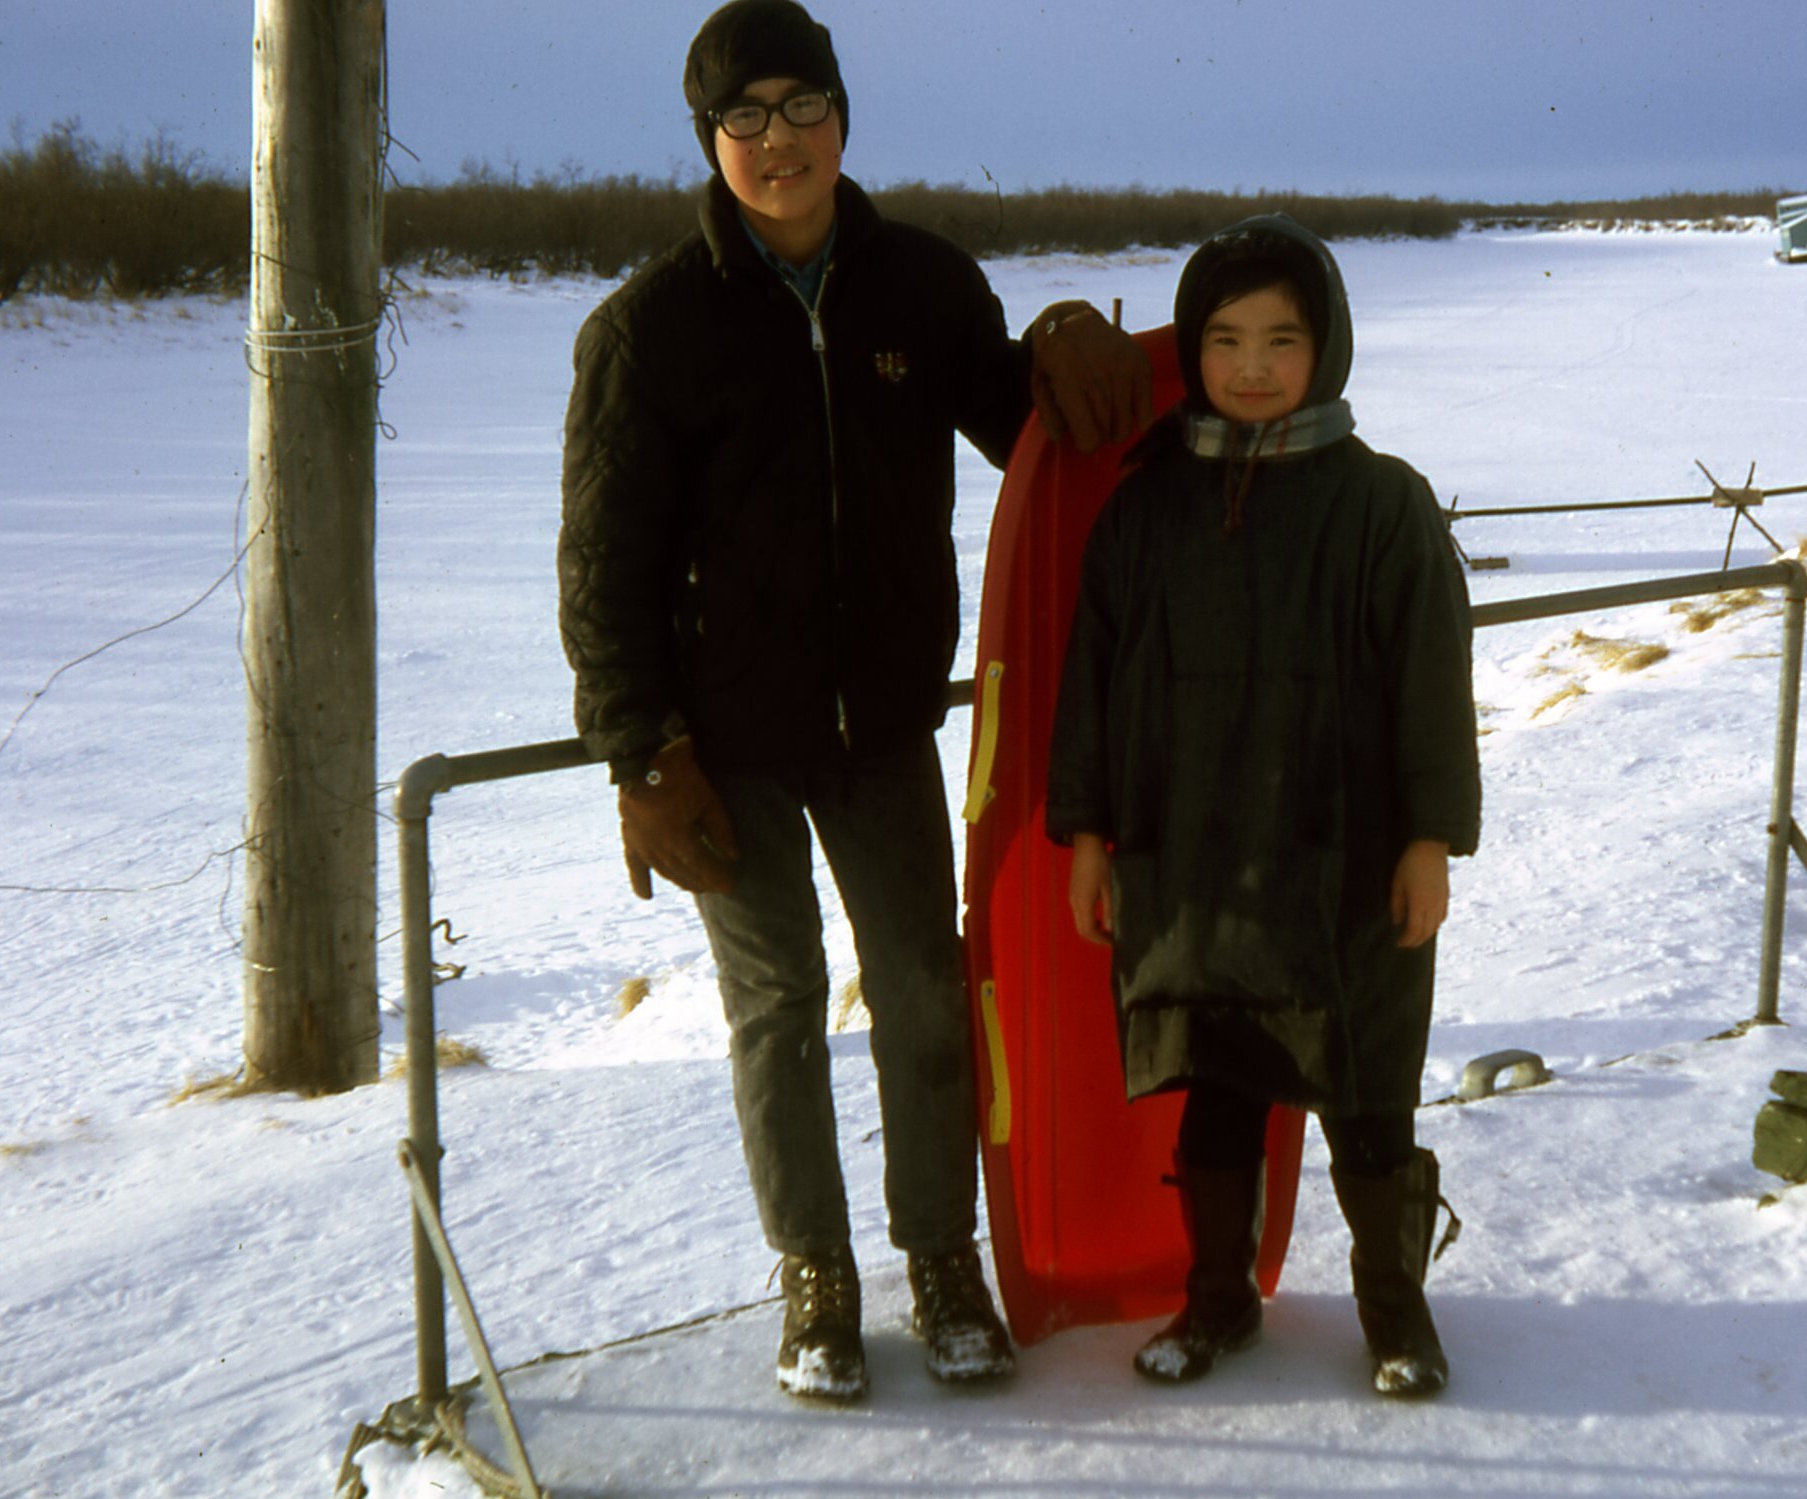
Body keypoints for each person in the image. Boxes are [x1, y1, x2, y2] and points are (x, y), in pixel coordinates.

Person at [557, 0, 1149, 1404]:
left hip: (880, 727)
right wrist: (641, 753)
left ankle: (939, 1257)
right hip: (725, 746)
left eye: (800, 104)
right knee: (776, 1006)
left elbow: (1029, 431)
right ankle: (815, 1274)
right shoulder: (649, 329)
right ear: (709, 140)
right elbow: (601, 563)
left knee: (929, 998)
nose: (778, 139)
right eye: (744, 115)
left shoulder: (921, 289)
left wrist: (1066, 341)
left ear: (841, 116)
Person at [1045, 216, 1481, 1398]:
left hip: (1345, 862)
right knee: (1218, 1082)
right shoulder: (1143, 511)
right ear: (1191, 349)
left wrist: (1428, 840)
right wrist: (1089, 835)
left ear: (1324, 347)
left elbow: (1433, 683)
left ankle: (1394, 1314)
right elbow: (1089, 678)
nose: (1249, 366)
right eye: (1226, 339)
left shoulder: (1382, 505)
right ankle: (1216, 1302)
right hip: (1193, 860)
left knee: (1366, 1093)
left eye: (1280, 340)